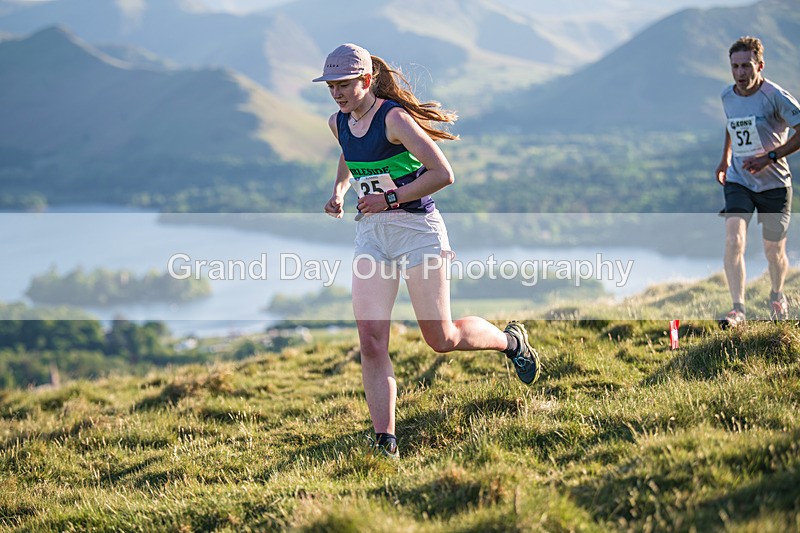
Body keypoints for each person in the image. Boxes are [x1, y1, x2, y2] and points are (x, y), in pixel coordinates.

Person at [313, 43, 541, 459]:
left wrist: (390, 198)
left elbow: (443, 174)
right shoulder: (338, 121)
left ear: (366, 80)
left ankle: (511, 343)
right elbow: (349, 153)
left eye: (344, 84)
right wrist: (339, 191)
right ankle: (385, 442)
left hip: (418, 231)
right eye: (331, 86)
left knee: (441, 337)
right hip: (372, 235)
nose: (336, 93)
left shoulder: (394, 119)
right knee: (371, 341)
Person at [715, 36, 800, 329]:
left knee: (773, 251)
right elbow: (731, 125)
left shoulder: (775, 96)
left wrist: (770, 156)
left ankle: (777, 294)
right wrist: (725, 159)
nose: (740, 73)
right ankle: (738, 309)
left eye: (746, 66)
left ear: (760, 66)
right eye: (735, 66)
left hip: (774, 184)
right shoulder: (727, 95)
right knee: (733, 239)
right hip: (739, 180)